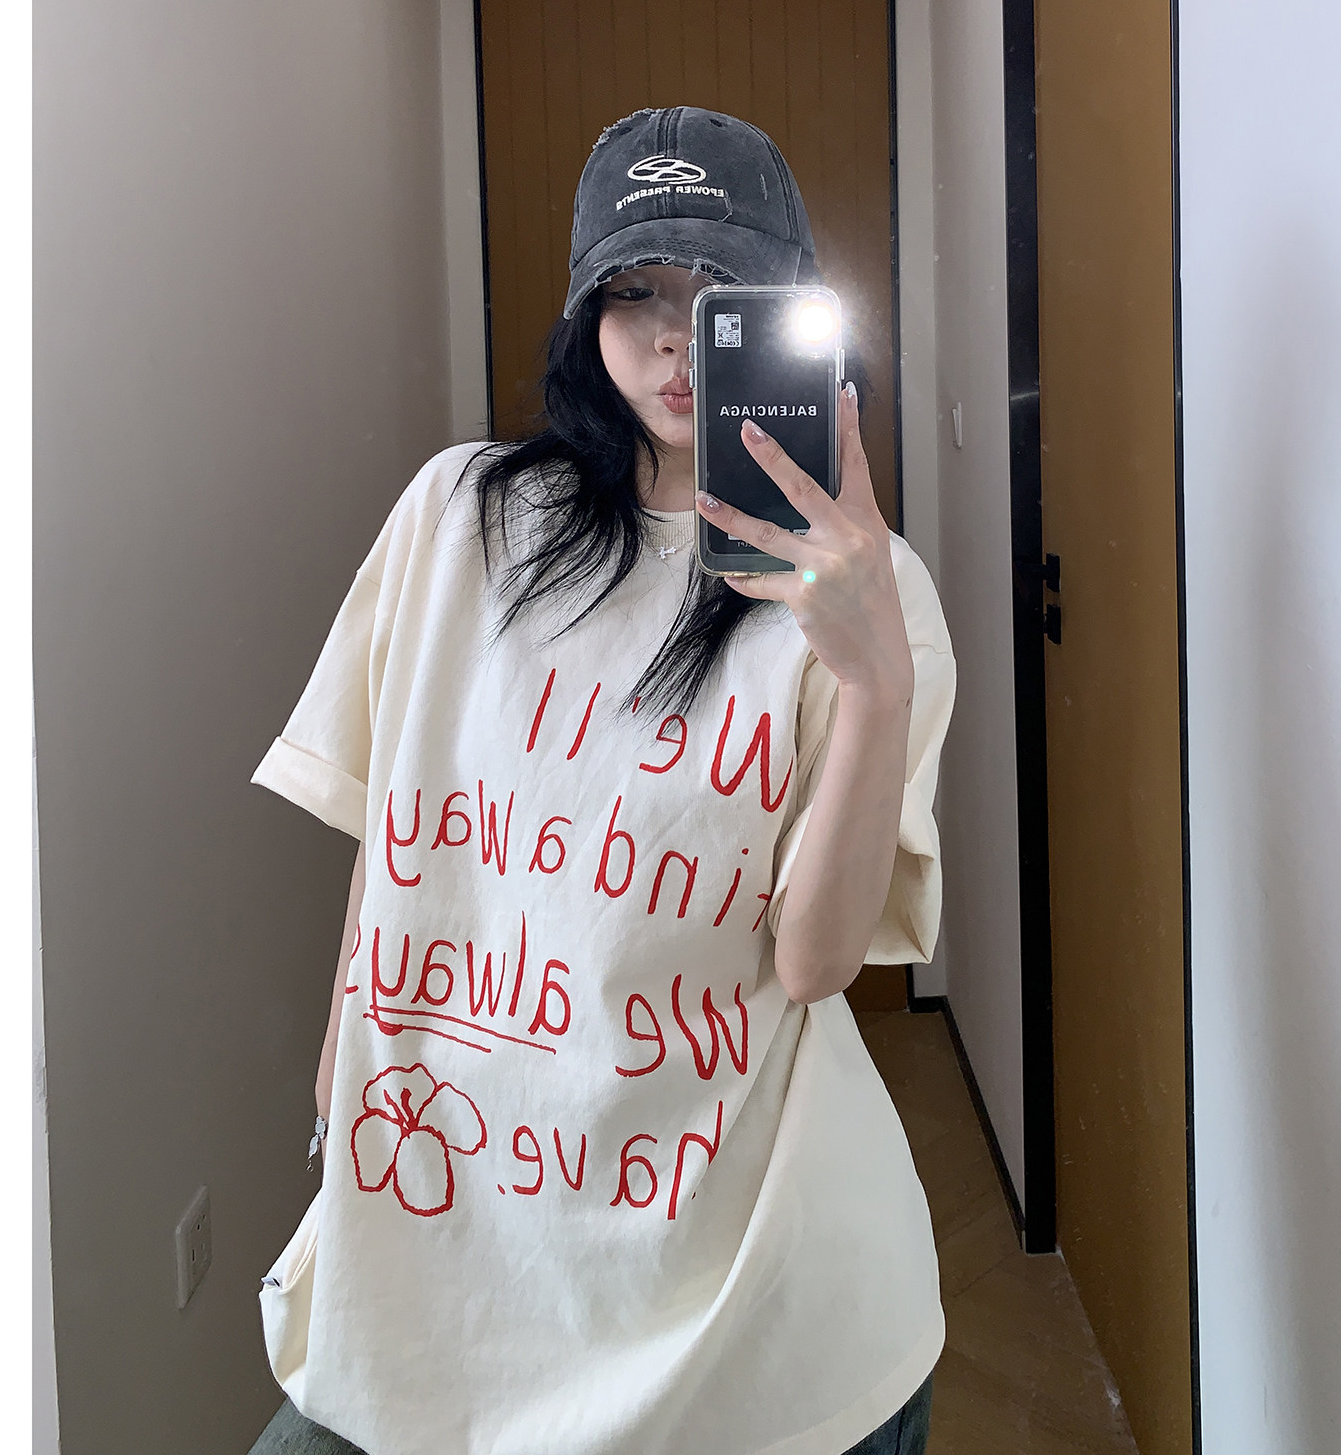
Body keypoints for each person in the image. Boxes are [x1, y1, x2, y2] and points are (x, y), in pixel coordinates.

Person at [250, 106, 955, 1455]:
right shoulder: (461, 520)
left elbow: (814, 963)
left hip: (754, 1305)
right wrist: (343, 1089)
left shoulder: (874, 592)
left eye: (719, 299)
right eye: (638, 294)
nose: (677, 341)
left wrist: (872, 681)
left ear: (789, 319)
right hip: (451, 1239)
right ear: (587, 313)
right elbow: (400, 844)